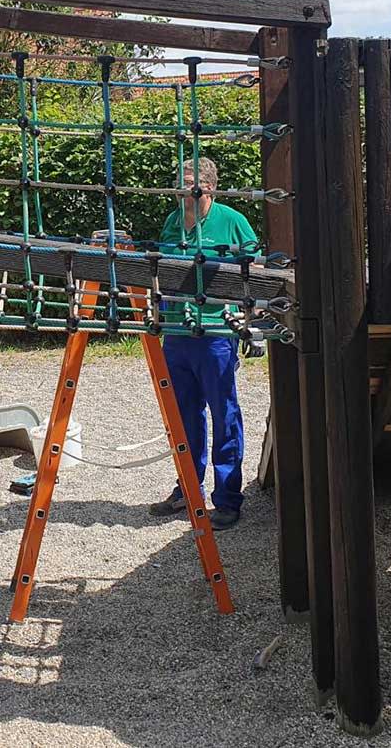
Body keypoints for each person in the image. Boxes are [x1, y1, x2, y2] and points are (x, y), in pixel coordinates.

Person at [147, 156, 259, 531]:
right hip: (177, 334)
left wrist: (246, 315)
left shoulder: (232, 221)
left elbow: (255, 270)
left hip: (215, 335)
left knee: (224, 413)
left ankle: (227, 499)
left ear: (209, 187)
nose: (183, 190)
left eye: (190, 182)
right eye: (179, 183)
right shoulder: (172, 220)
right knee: (182, 415)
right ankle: (187, 489)